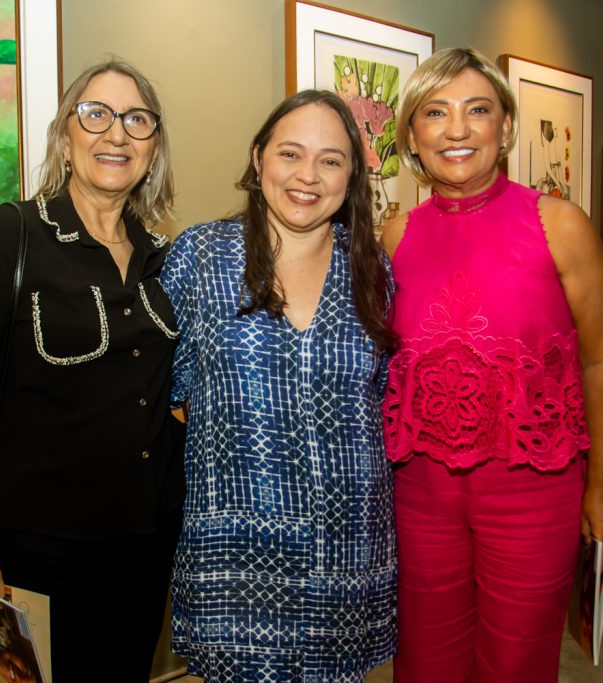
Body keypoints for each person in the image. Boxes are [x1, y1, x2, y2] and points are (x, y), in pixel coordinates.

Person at [0, 59, 184, 681]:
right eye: (96, 115)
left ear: (154, 148)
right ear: (66, 136)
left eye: (137, 121)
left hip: (145, 544)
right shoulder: (14, 234)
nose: (116, 134)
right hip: (42, 548)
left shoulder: (163, 256)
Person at [381, 48, 603, 683]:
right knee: (425, 658)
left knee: (517, 658)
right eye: (435, 112)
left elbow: (601, 360)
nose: (457, 129)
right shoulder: (394, 233)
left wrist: (602, 485)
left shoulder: (559, 223)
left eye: (477, 110)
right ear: (412, 135)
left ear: (506, 128)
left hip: (533, 489)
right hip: (419, 490)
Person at [160, 89, 397, 682]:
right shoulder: (201, 256)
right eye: (290, 154)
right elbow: (164, 397)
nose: (307, 176)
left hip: (348, 551)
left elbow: (384, 399)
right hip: (235, 552)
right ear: (258, 157)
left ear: (353, 176)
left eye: (331, 160)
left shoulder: (372, 268)